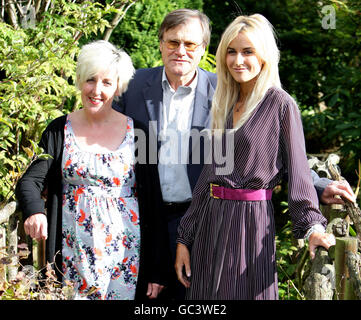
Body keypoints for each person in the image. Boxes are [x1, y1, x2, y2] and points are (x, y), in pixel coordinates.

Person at [113, 9, 356, 300]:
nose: (180, 51)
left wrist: (316, 193)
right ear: (161, 43)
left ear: (203, 48)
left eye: (190, 44)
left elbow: (277, 152)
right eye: (172, 42)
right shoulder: (136, 85)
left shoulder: (228, 92)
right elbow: (106, 137)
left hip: (221, 220)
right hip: (153, 222)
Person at [16, 40, 168, 300]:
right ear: (79, 81)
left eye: (107, 82)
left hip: (126, 255)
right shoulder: (58, 130)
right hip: (72, 252)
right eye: (90, 80)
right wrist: (35, 211)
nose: (97, 90)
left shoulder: (140, 132)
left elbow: (154, 203)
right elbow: (30, 180)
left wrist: (157, 270)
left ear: (117, 86)